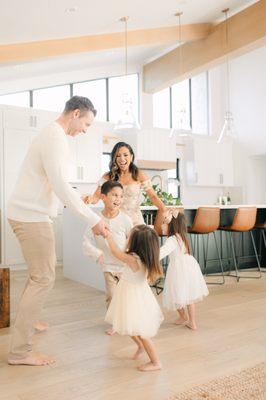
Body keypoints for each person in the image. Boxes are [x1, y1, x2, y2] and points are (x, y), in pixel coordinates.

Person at [7, 96, 109, 366]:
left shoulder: (50, 134)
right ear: (75, 114)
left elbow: (57, 183)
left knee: (38, 276)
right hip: (32, 217)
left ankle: (31, 318)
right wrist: (93, 219)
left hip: (27, 212)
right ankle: (20, 352)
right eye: (86, 123)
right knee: (43, 278)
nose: (85, 129)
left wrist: (79, 197)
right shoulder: (56, 138)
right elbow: (60, 185)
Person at [105, 225, 164, 372]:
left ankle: (156, 362)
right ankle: (140, 346)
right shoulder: (144, 258)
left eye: (129, 237)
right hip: (133, 294)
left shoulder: (133, 259)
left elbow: (114, 252)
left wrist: (108, 236)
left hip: (132, 297)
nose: (127, 239)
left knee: (141, 332)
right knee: (129, 326)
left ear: (136, 243)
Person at [83, 180, 133, 335]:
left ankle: (127, 320)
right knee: (112, 296)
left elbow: (131, 240)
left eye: (121, 196)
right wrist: (97, 254)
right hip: (109, 266)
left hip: (124, 266)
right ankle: (115, 323)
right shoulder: (96, 220)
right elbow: (85, 241)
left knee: (126, 296)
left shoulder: (125, 219)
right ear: (103, 197)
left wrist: (131, 257)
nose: (118, 199)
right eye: (114, 195)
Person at [85, 142, 166, 225]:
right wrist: (89, 199)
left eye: (125, 155)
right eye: (118, 156)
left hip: (136, 221)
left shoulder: (139, 175)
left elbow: (153, 196)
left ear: (131, 157)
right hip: (116, 221)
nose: (122, 159)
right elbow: (96, 197)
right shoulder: (108, 176)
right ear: (114, 159)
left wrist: (164, 210)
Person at [160, 209, 209, 330]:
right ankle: (191, 322)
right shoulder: (181, 237)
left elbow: (162, 253)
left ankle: (184, 317)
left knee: (175, 294)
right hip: (188, 266)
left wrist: (150, 256)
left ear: (171, 225)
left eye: (164, 222)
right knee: (187, 296)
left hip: (178, 269)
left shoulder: (171, 240)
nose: (161, 225)